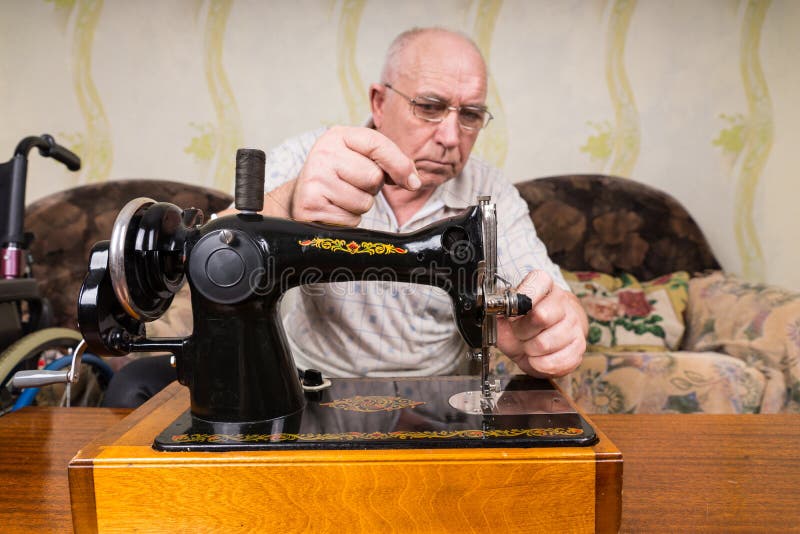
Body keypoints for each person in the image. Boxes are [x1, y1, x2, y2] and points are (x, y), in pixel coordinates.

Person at [102, 27, 586, 407]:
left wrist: (557, 328)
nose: (451, 137)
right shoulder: (313, 156)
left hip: (442, 397)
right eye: (431, 107)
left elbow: (550, 294)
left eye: (471, 115)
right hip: (308, 387)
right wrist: (291, 199)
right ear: (379, 101)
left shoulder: (489, 189)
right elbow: (217, 247)